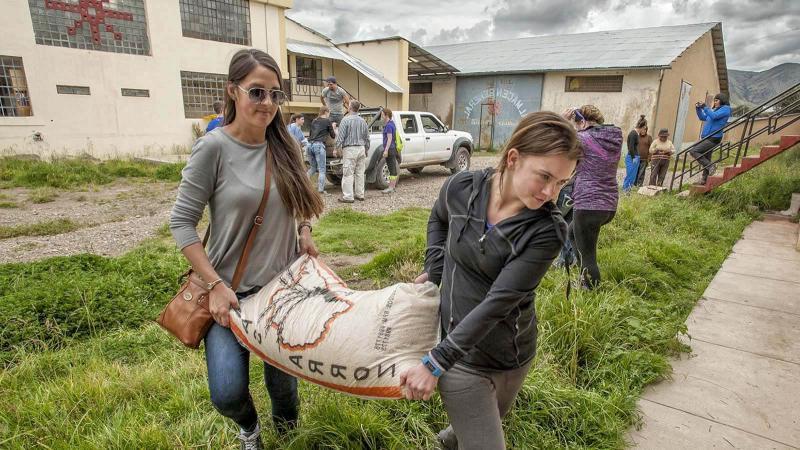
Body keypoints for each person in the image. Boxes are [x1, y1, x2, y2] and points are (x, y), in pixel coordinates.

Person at [169, 48, 324, 449]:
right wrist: (216, 284)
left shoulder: (285, 144)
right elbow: (181, 222)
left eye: (276, 94)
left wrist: (304, 229)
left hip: (281, 292)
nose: (268, 103)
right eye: (257, 92)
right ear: (233, 92)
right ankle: (249, 429)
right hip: (228, 294)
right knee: (226, 392)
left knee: (285, 392)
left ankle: (288, 438)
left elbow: (300, 201)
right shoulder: (213, 148)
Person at [399, 111, 581, 450]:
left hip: (513, 355)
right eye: (544, 177)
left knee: (478, 427)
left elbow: (499, 301)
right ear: (513, 158)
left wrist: (433, 362)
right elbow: (438, 219)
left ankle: (450, 442)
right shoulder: (460, 187)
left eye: (561, 183)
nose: (550, 193)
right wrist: (435, 268)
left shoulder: (547, 230)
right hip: (461, 356)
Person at [564, 105, 622, 289]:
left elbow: (555, 137)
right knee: (572, 232)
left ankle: (591, 288)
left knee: (588, 254)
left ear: (582, 121)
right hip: (608, 205)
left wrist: (564, 121)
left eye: (577, 123)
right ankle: (584, 279)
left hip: (588, 204)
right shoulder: (615, 138)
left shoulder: (582, 138)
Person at [691, 93, 732, 184]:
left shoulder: (726, 109)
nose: (715, 102)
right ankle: (704, 180)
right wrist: (698, 108)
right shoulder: (714, 110)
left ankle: (710, 166)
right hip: (707, 137)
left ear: (722, 100)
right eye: (714, 100)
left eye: (716, 100)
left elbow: (714, 116)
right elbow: (703, 117)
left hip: (713, 137)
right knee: (706, 157)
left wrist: (705, 107)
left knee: (694, 151)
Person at [334, 100, 369, 203]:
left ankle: (348, 196)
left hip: (349, 149)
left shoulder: (345, 120)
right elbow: (367, 137)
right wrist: (366, 149)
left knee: (348, 173)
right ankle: (360, 194)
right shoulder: (363, 121)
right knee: (360, 173)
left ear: (350, 108)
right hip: (361, 148)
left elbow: (340, 136)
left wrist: (336, 148)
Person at [307, 106, 336, 195]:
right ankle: (321, 190)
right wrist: (333, 127)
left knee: (312, 168)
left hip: (309, 145)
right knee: (322, 170)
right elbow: (333, 135)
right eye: (329, 113)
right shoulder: (327, 121)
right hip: (319, 146)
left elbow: (310, 134)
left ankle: (303, 185)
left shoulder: (314, 120)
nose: (329, 114)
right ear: (326, 112)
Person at [623, 115, 645, 192]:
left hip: (635, 156)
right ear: (642, 127)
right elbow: (631, 147)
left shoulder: (636, 134)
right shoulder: (633, 134)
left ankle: (628, 191)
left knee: (633, 176)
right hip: (631, 157)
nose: (644, 130)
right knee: (630, 175)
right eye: (644, 128)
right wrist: (633, 157)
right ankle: (625, 191)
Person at [381, 108, 400, 194]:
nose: (381, 116)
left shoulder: (389, 125)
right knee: (392, 168)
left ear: (386, 115)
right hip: (392, 148)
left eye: (382, 115)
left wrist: (386, 150)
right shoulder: (392, 124)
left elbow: (389, 139)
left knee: (392, 169)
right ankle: (392, 187)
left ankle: (391, 187)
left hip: (390, 149)